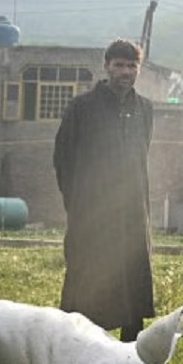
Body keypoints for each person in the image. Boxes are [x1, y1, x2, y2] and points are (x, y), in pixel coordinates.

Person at [53, 38, 154, 342]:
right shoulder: (82, 107)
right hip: (91, 209)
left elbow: (141, 152)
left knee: (132, 268)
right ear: (107, 66)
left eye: (132, 65)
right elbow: (63, 158)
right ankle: (78, 342)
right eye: (119, 65)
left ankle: (130, 346)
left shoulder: (144, 109)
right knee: (88, 272)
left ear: (139, 69)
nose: (125, 71)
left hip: (132, 207)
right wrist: (78, 202)